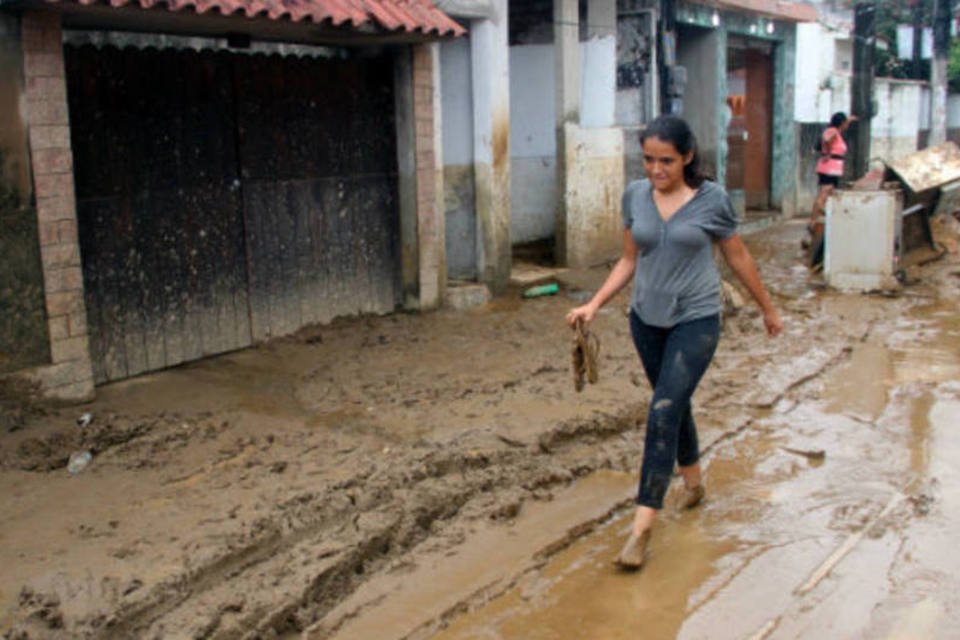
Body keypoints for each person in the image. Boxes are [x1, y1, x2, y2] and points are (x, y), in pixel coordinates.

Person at [565, 115, 783, 571]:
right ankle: (695, 482)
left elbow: (737, 255)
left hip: (696, 318)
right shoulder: (635, 196)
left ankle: (641, 528)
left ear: (687, 157)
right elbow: (629, 258)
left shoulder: (712, 201)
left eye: (666, 160)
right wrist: (595, 304)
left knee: (662, 410)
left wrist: (767, 307)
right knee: (674, 402)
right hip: (646, 319)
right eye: (648, 159)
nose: (656, 170)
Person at [808, 111, 857, 239]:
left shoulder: (837, 132)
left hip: (834, 168)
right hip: (828, 167)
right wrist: (828, 150)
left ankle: (818, 220)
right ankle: (812, 222)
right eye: (845, 122)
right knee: (824, 193)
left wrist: (849, 119)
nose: (847, 125)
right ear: (841, 123)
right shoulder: (833, 131)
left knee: (829, 193)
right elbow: (826, 138)